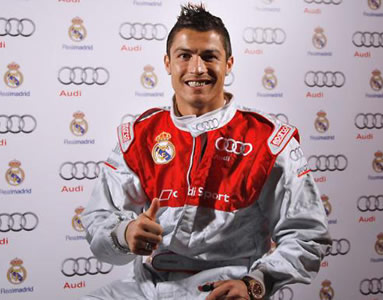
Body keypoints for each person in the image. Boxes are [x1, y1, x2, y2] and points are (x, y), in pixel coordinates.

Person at [81, 4, 331, 300]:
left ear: (229, 63)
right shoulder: (139, 135)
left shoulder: (269, 140)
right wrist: (124, 233)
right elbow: (99, 220)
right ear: (167, 62)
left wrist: (256, 283)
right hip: (147, 286)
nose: (196, 69)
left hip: (225, 288)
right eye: (184, 56)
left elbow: (307, 234)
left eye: (209, 56)